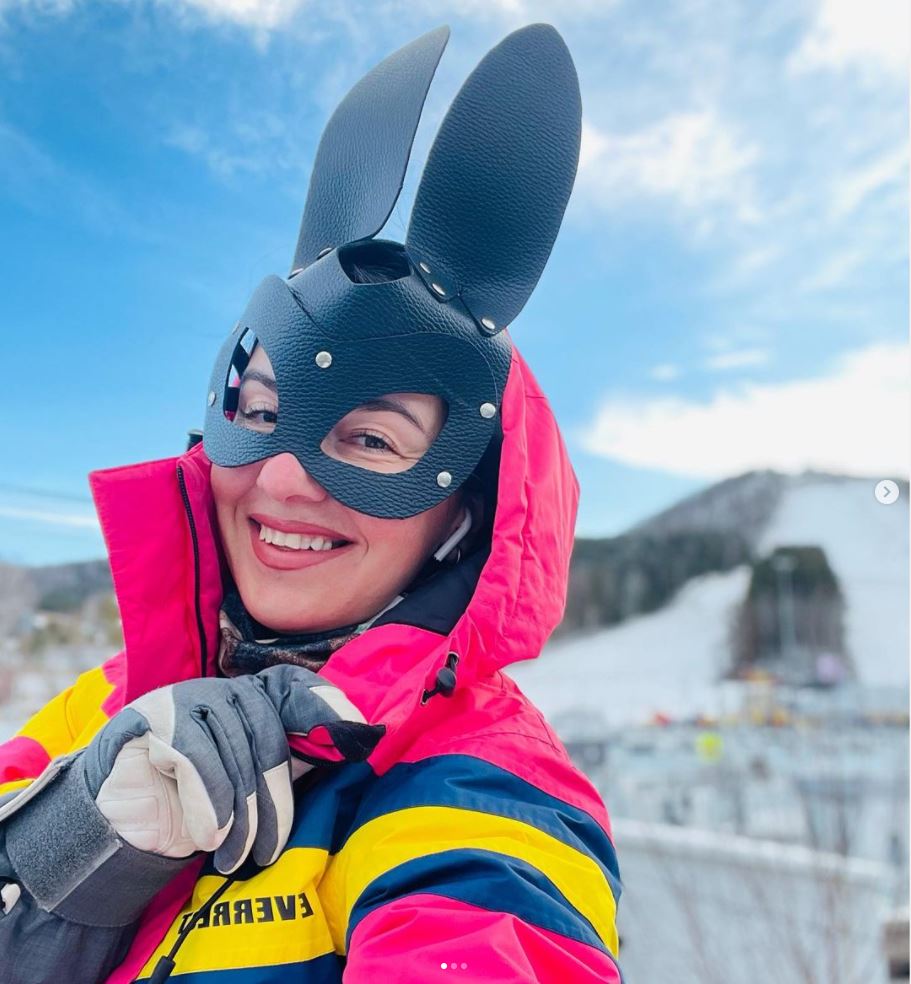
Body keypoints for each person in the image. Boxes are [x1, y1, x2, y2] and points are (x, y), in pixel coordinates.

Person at [0, 23, 623, 984]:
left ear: (464, 514)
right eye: (262, 415)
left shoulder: (483, 791)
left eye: (371, 441)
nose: (284, 480)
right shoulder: (104, 707)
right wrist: (71, 842)